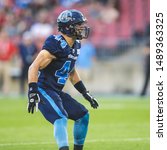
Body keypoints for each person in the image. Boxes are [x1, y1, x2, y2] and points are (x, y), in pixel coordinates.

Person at [27, 9, 99, 150]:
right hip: (43, 89)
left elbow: (71, 72)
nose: (82, 28)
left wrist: (85, 93)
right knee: (61, 117)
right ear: (68, 27)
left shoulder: (75, 45)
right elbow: (33, 66)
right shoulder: (55, 43)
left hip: (56, 91)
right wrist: (32, 91)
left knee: (83, 115)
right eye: (79, 25)